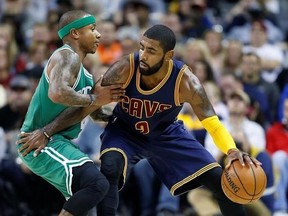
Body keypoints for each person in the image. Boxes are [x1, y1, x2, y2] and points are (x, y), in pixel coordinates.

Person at [18, 25, 261, 216]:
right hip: (125, 131)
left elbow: (212, 122)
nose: (143, 55)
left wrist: (230, 149)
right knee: (110, 168)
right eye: (142, 47)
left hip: (165, 134)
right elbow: (91, 102)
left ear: (169, 55)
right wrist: (47, 132)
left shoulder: (186, 82)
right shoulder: (125, 67)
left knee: (222, 181)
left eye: (151, 51)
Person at [16, 10, 125, 216]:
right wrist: (95, 98)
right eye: (92, 29)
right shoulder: (67, 55)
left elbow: (91, 113)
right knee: (97, 184)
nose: (99, 35)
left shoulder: (86, 76)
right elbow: (57, 93)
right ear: (75, 33)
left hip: (58, 141)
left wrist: (121, 112)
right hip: (39, 140)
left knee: (90, 202)